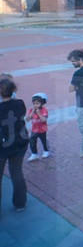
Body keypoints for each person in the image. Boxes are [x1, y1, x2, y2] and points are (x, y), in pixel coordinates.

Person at [0, 78, 29, 212]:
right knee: (16, 172)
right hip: (19, 143)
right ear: (13, 91)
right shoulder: (20, 103)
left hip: (3, 146)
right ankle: (20, 204)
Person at [25, 92, 50, 161]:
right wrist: (32, 112)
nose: (35, 105)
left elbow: (43, 119)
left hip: (42, 129)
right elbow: (27, 119)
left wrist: (38, 113)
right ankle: (34, 153)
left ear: (42, 103)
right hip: (34, 129)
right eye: (34, 103)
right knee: (32, 141)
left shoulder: (44, 110)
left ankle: (46, 151)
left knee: (43, 141)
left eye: (37, 103)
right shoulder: (31, 110)